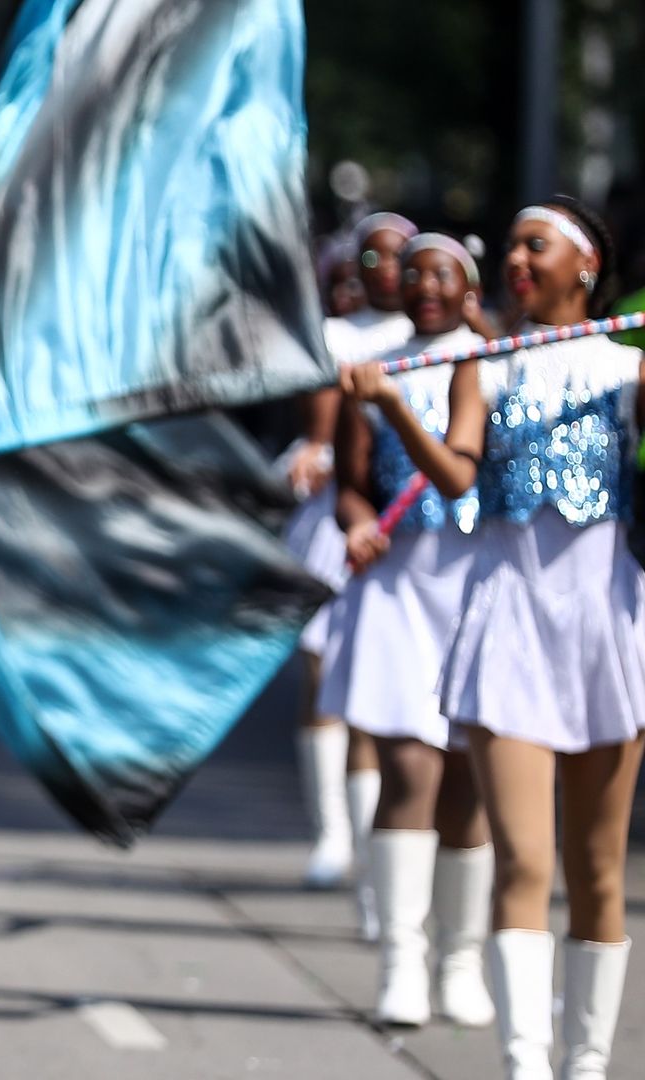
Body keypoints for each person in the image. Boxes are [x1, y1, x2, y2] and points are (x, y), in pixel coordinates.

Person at [345, 197, 642, 1080]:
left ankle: (587, 1064)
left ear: (584, 266)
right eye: (511, 244)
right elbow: (456, 474)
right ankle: (525, 1063)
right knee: (525, 860)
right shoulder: (487, 365)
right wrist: (396, 407)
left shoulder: (627, 372)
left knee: (596, 872)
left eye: (534, 244)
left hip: (605, 625)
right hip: (510, 619)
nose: (516, 258)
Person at [323, 234, 491, 1029]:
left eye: (443, 274)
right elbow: (350, 488)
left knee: (469, 788)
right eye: (414, 273)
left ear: (469, 288)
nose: (425, 285)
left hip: (472, 586)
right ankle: (401, 960)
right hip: (397, 592)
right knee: (409, 772)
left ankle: (461, 957)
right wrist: (357, 525)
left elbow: (460, 473)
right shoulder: (374, 364)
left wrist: (395, 402)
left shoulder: (488, 361)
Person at [284, 212, 418, 928]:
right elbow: (327, 426)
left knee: (385, 705)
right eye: (373, 257)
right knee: (326, 678)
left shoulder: (445, 341)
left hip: (425, 538)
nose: (388, 269)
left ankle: (379, 872)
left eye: (402, 257)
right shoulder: (337, 338)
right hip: (346, 520)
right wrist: (317, 451)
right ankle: (333, 833)